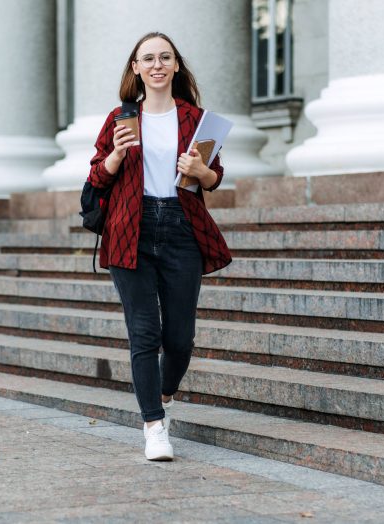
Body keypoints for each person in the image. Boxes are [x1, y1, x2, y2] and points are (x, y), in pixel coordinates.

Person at [88, 32, 232, 461]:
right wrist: (114, 156)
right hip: (130, 227)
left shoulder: (196, 120)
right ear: (136, 68)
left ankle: (163, 393)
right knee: (145, 334)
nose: (156, 64)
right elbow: (97, 177)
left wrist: (200, 170)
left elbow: (214, 178)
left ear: (175, 66)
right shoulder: (121, 118)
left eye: (164, 57)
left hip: (180, 227)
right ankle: (154, 425)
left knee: (180, 339)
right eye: (147, 58)